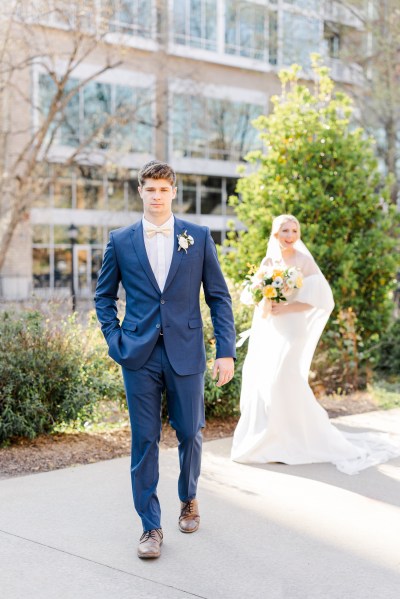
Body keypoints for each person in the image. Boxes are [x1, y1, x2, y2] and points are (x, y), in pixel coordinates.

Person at [95, 160, 236, 559]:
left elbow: (219, 297)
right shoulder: (121, 240)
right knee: (144, 440)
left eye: (163, 189)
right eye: (150, 189)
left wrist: (225, 350)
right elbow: (103, 297)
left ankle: (188, 497)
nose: (157, 196)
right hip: (137, 354)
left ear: (174, 192)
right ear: (140, 191)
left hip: (186, 351)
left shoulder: (198, 236)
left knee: (190, 431)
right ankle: (150, 527)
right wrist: (114, 338)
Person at [231, 214, 400, 474]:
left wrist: (285, 306)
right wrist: (264, 301)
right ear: (276, 234)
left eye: (294, 230)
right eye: (285, 230)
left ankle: (297, 438)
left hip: (294, 328)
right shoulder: (268, 261)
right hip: (273, 328)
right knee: (270, 381)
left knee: (282, 377)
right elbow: (253, 294)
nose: (290, 235)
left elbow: (321, 298)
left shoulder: (304, 261)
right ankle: (279, 438)